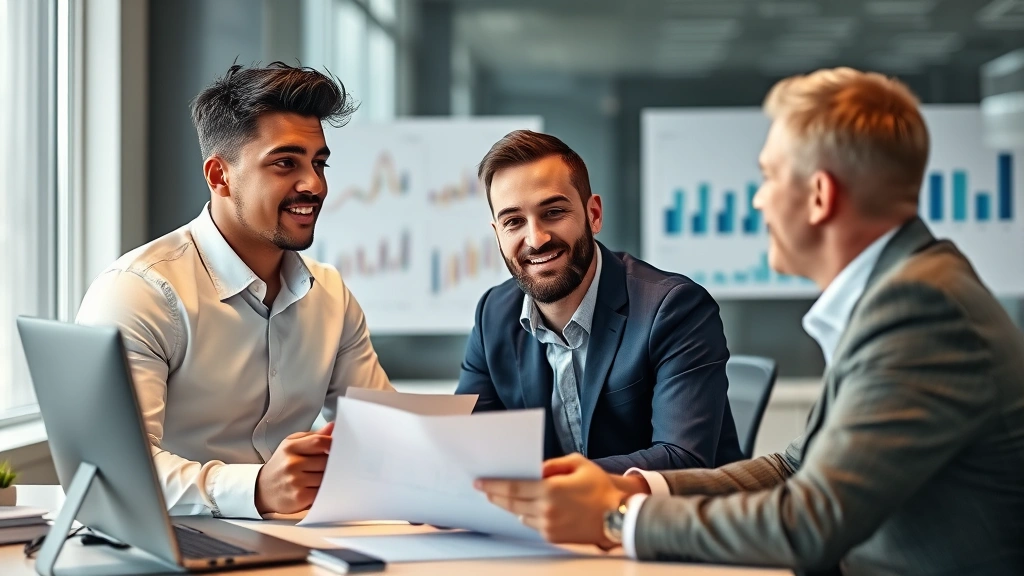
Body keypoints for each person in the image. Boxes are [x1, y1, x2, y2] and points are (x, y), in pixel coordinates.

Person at [475, 68, 1024, 575]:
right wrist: (628, 489)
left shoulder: (921, 311)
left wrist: (618, 519)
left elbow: (811, 522)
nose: (758, 200)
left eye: (768, 177)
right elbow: (794, 467)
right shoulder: (900, 293)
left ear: (818, 196)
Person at [76, 62, 393, 519]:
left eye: (318, 163)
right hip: (170, 546)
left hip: (297, 543)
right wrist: (257, 488)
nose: (314, 185)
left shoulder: (330, 294)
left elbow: (385, 436)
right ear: (219, 175)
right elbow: (111, 472)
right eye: (286, 163)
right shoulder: (139, 292)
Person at [457, 130, 743, 473]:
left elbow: (682, 458)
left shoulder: (674, 309)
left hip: (665, 521)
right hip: (550, 524)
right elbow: (465, 447)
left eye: (553, 212)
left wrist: (547, 485)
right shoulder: (493, 315)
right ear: (498, 235)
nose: (536, 239)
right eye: (514, 222)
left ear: (593, 214)